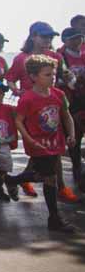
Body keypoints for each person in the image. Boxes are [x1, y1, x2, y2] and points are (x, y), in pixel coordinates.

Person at [4, 55, 76, 232]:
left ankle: (13, 179)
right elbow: (19, 120)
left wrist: (72, 134)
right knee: (49, 177)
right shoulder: (28, 98)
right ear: (34, 76)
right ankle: (54, 218)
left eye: (53, 74)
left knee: (43, 175)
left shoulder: (59, 94)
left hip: (55, 141)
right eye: (47, 74)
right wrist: (28, 139)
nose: (52, 77)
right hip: (38, 143)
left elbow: (66, 116)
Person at [58, 27, 85, 191]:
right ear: (65, 41)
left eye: (80, 38)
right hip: (71, 102)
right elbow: (63, 80)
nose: (78, 41)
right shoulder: (61, 56)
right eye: (74, 38)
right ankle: (77, 172)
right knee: (74, 137)